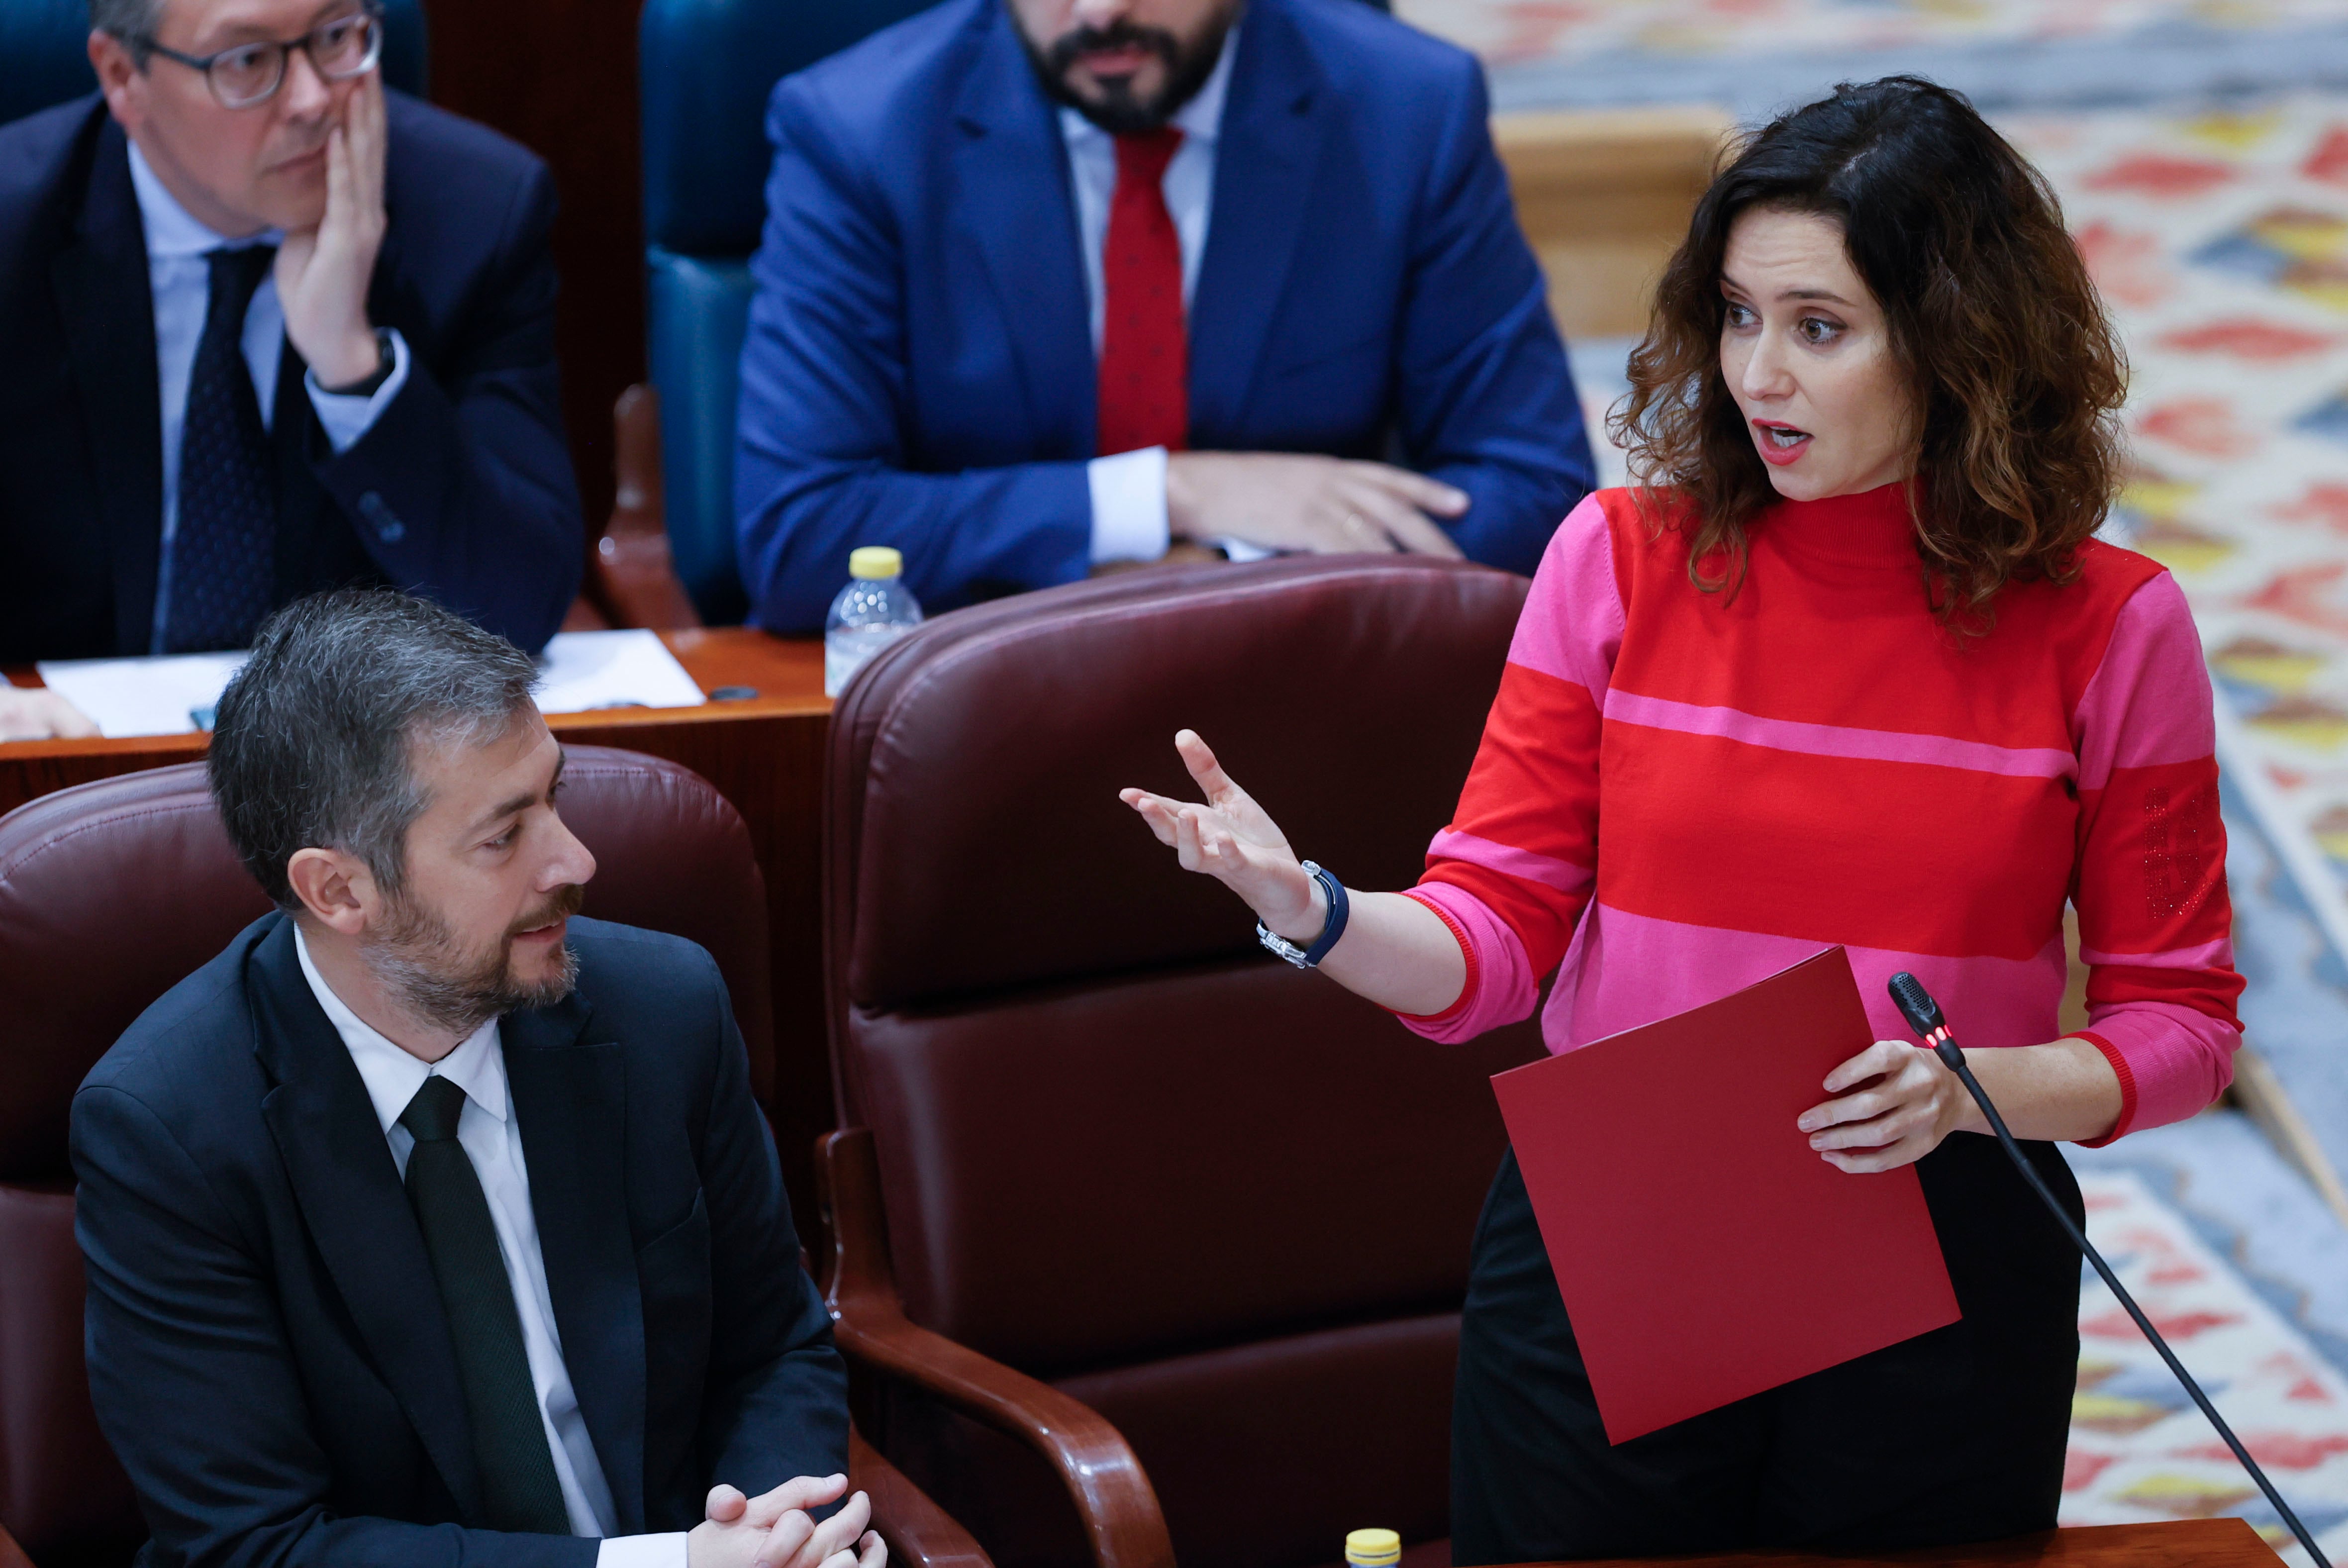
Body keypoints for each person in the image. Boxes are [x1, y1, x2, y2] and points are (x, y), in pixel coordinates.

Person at [1121, 76, 2242, 1560]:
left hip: (1948, 1233)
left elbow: (2185, 1024)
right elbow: (1490, 947)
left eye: (1820, 328)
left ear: (1959, 343)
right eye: (1737, 314)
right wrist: (1315, 911)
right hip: (1621, 1229)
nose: (1759, 373)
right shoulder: (1620, 562)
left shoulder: (2114, 627)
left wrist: (1981, 1094)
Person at [72, 590, 883, 1568]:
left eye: (556, 795)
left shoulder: (664, 1009)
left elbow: (773, 1352)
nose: (575, 859)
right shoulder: (169, 1129)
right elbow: (258, 1545)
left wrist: (777, 1535)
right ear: (338, 890)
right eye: (503, 837)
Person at [734, 0, 1595, 632]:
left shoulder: (1406, 111)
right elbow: (801, 536)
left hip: (1294, 694)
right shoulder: (859, 130)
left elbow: (1537, 498)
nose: (1103, 13)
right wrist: (1178, 492)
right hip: (976, 718)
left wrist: (1223, 569)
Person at [0, 0, 585, 739]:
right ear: (124, 77)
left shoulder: (474, 215)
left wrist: (353, 364)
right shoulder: (12, 232)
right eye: (248, 61)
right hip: (62, 758)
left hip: (346, 782)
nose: (313, 100)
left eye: (336, 38)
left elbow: (518, 608)